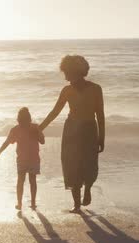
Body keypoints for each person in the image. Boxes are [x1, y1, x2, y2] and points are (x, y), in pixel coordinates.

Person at [38, 55, 105, 213]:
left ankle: (87, 188)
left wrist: (102, 137)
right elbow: (55, 112)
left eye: (66, 72)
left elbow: (100, 115)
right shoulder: (67, 90)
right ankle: (76, 204)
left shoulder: (96, 88)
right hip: (71, 131)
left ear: (74, 71)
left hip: (88, 130)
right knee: (71, 164)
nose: (65, 76)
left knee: (89, 163)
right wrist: (40, 128)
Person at [0, 107, 44, 210]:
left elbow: (42, 141)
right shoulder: (19, 129)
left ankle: (23, 203)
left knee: (25, 181)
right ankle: (27, 203)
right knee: (28, 181)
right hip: (26, 159)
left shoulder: (31, 128)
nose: (22, 122)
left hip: (29, 159)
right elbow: (6, 143)